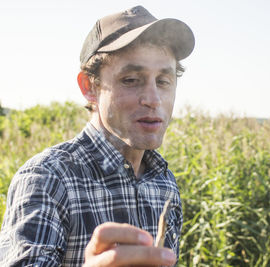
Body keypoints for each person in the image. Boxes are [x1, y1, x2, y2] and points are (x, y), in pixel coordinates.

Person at [0, 5, 195, 266]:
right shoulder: (48, 178)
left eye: (163, 81)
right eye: (131, 79)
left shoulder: (164, 182)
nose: (153, 99)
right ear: (90, 87)